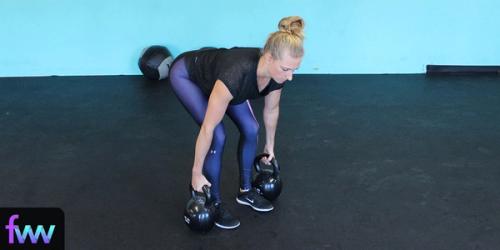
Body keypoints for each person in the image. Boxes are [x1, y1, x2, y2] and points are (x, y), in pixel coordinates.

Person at [169, 16, 305, 230]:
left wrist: (270, 145)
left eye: (294, 70)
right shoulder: (235, 74)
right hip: (187, 76)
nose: (290, 77)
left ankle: (246, 191)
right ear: (269, 57)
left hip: (220, 78)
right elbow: (208, 128)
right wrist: (196, 173)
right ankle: (213, 201)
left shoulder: (276, 76)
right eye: (286, 69)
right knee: (218, 135)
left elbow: (271, 109)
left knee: (251, 129)